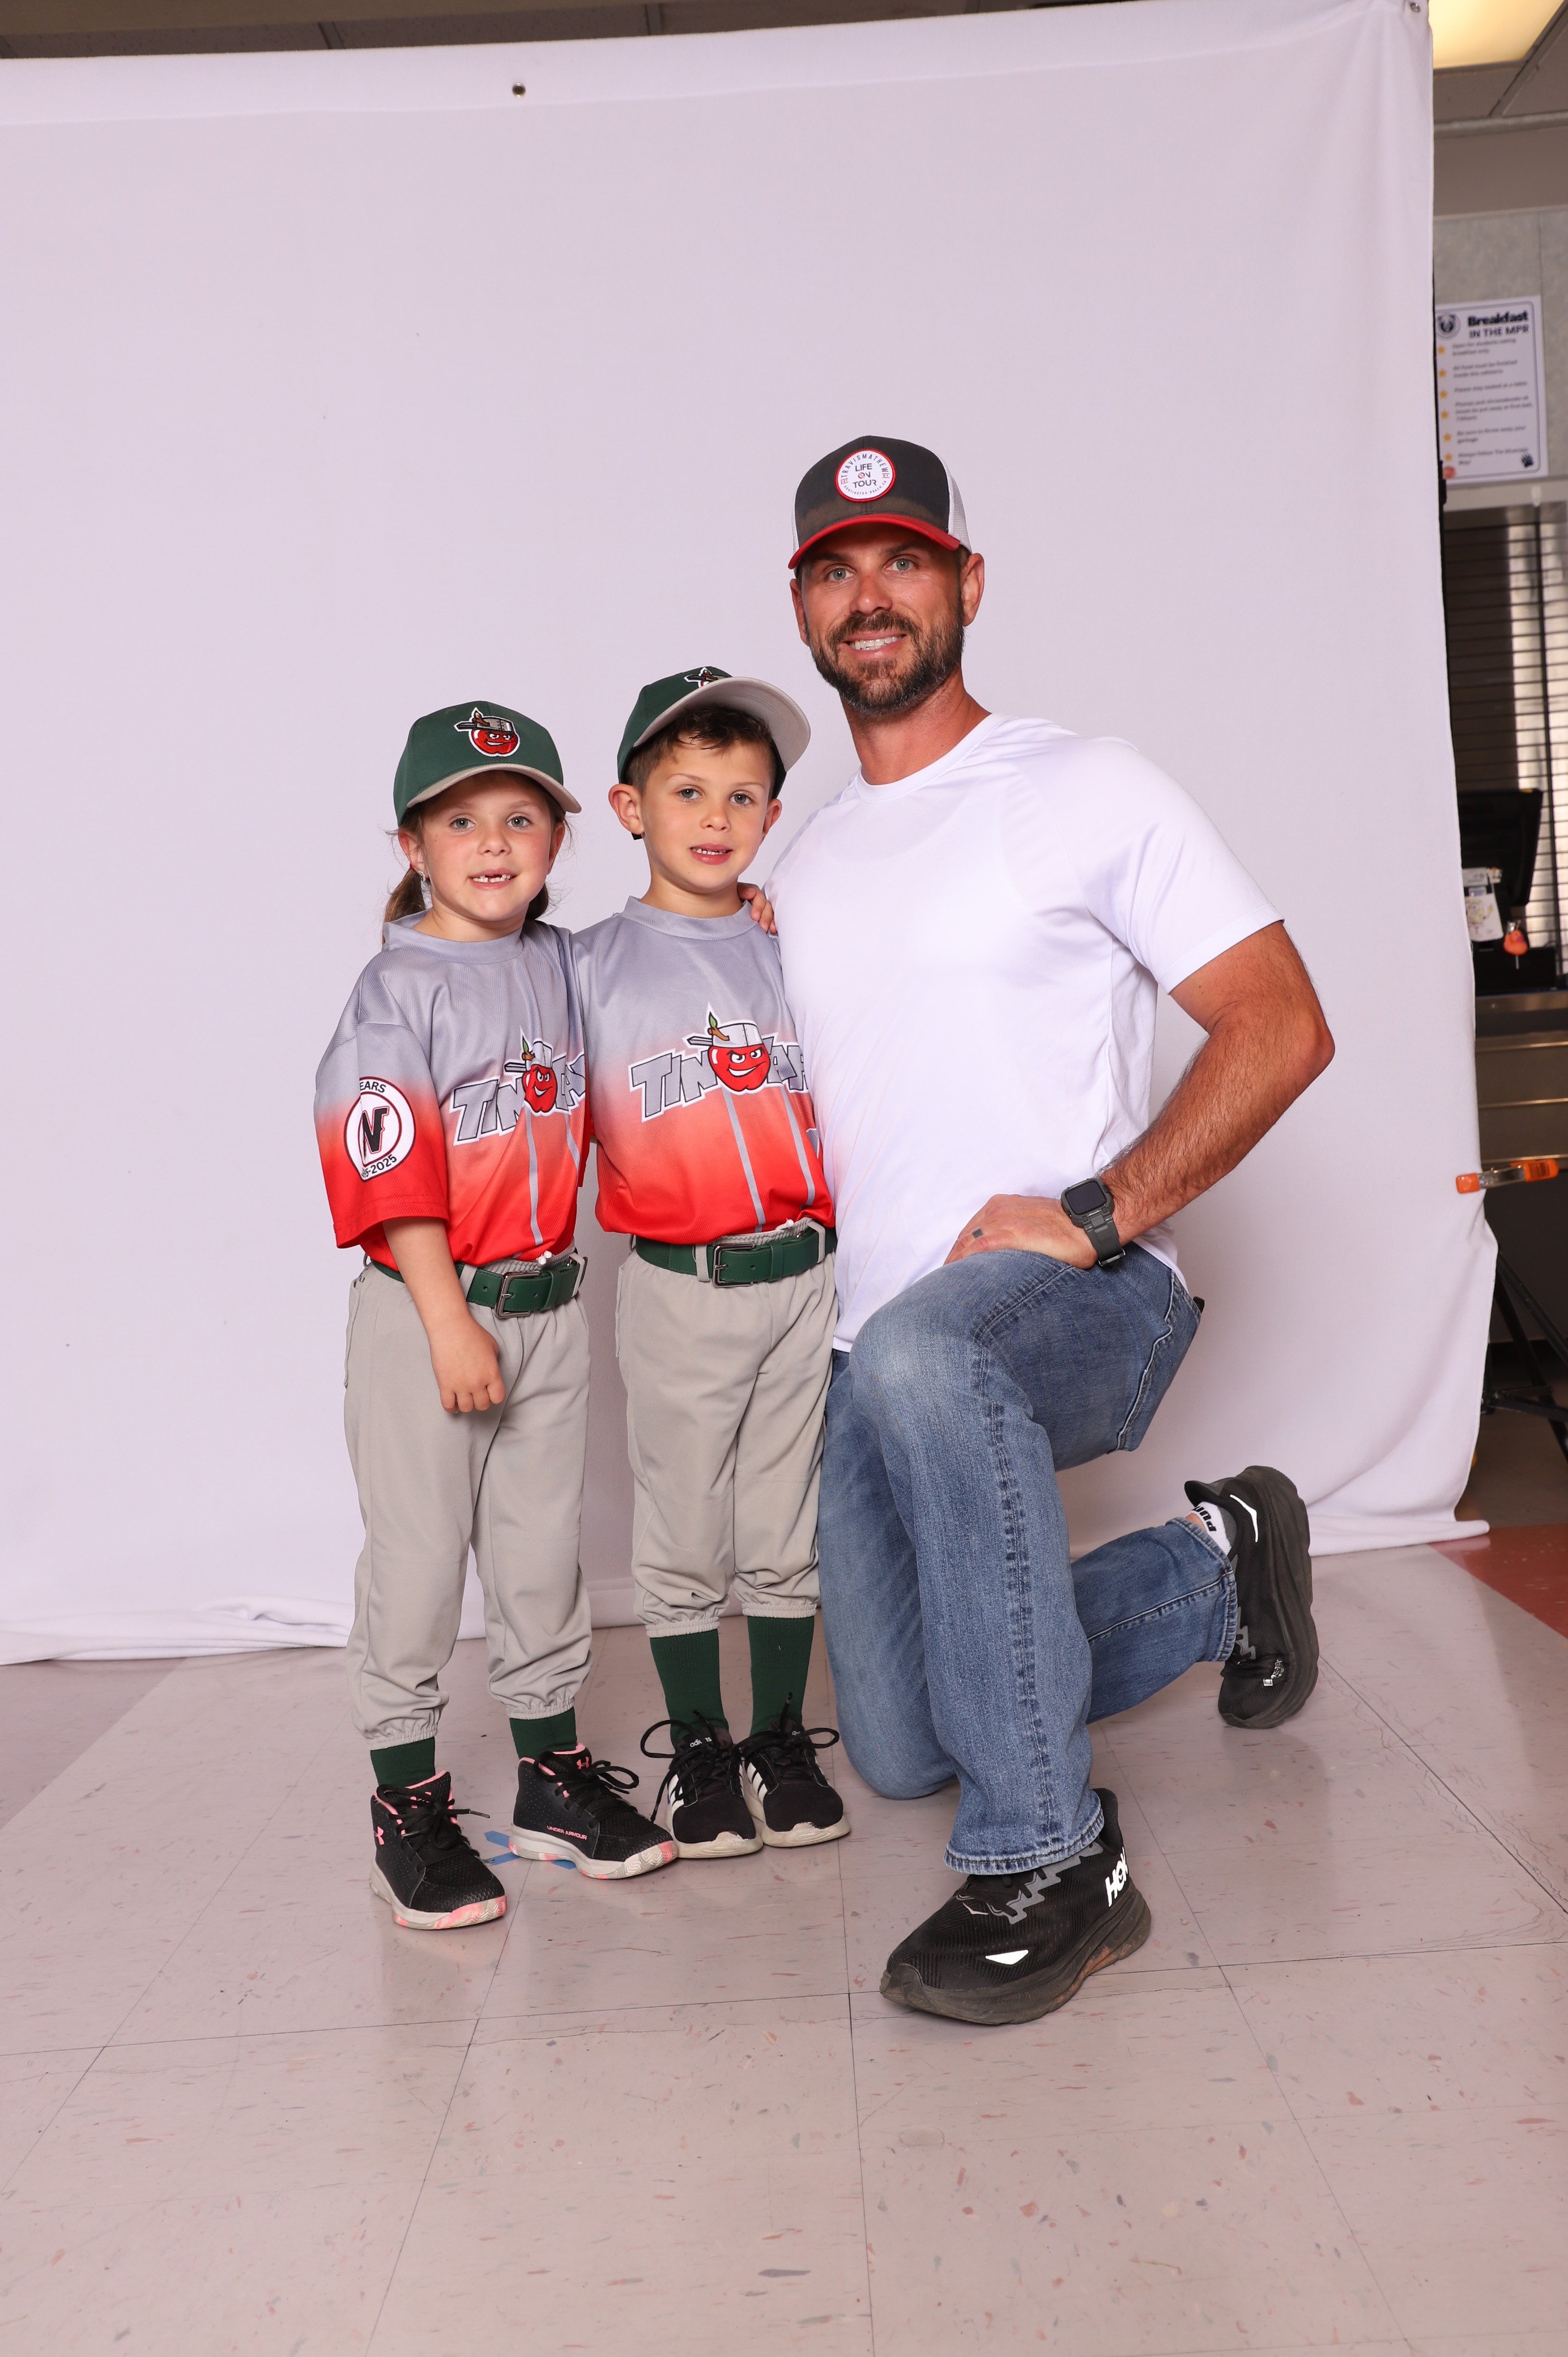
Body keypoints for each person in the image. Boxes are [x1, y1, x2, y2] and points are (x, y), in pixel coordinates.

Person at [768, 438, 1335, 2025]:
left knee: (926, 1355)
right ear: (803, 609)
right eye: (834, 570)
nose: (869, 596)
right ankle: (1219, 1569)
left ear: (967, 581)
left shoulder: (1081, 784)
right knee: (901, 1743)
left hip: (1084, 1295)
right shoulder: (802, 859)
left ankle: (1055, 1862)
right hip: (868, 1347)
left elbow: (1281, 1025)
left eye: (902, 560)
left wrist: (1099, 1215)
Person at [314, 699, 671, 1932]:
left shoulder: (561, 962)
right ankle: (406, 1808)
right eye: (460, 820)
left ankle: (551, 1781)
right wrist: (447, 1319)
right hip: (432, 1312)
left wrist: (754, 915)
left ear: (559, 841)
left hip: (548, 1305)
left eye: (521, 818)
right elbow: (386, 1164)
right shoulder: (396, 986)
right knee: (418, 1566)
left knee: (537, 1558)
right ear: (412, 844)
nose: (492, 843)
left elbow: (668, 953)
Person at [572, 668, 848, 1858]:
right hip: (681, 1285)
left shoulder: (802, 943)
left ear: (772, 816)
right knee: (684, 1536)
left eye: (742, 796)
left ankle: (779, 1741)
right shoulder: (584, 965)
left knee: (784, 1529)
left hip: (805, 1278)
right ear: (630, 807)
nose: (715, 817)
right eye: (686, 790)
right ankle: (699, 1752)